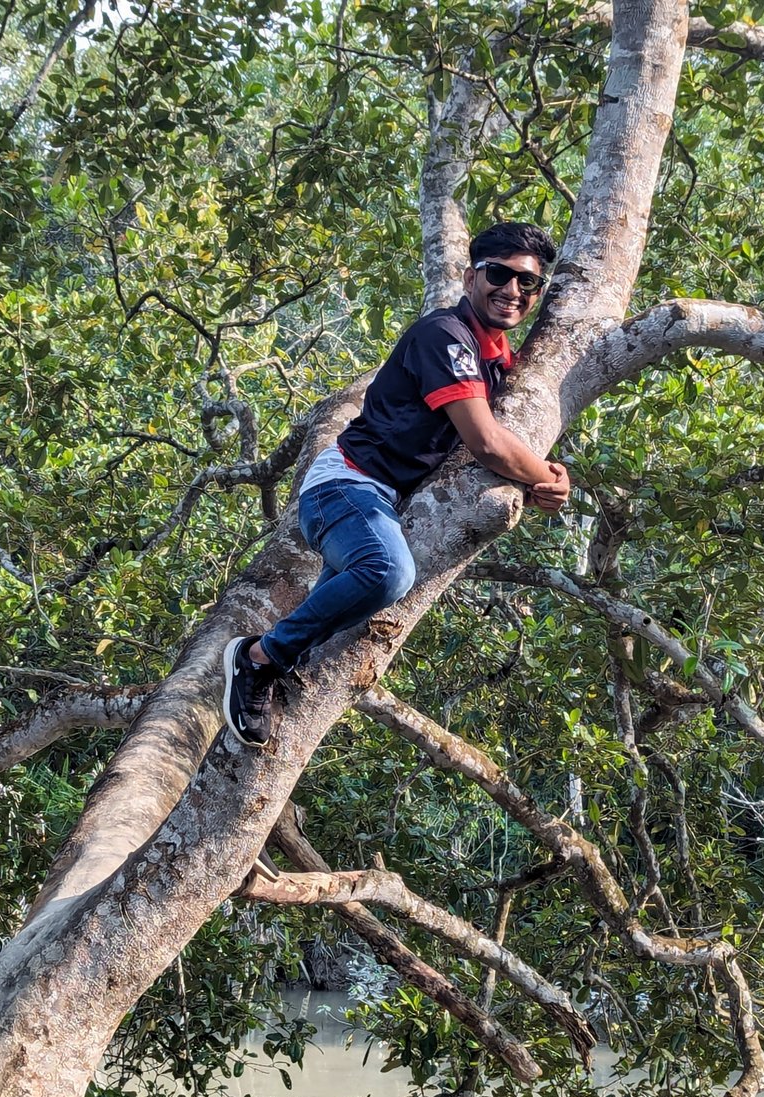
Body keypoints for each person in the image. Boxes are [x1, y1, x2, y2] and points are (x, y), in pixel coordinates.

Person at [222, 222, 571, 747]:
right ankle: (257, 657)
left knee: (337, 624)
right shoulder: (445, 336)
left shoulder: (496, 357)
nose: (514, 290)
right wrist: (548, 478)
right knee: (387, 572)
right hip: (347, 487)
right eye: (500, 274)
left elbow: (501, 434)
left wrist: (545, 473)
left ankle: (270, 679)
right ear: (470, 276)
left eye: (529, 283)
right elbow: (486, 443)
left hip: (383, 502)